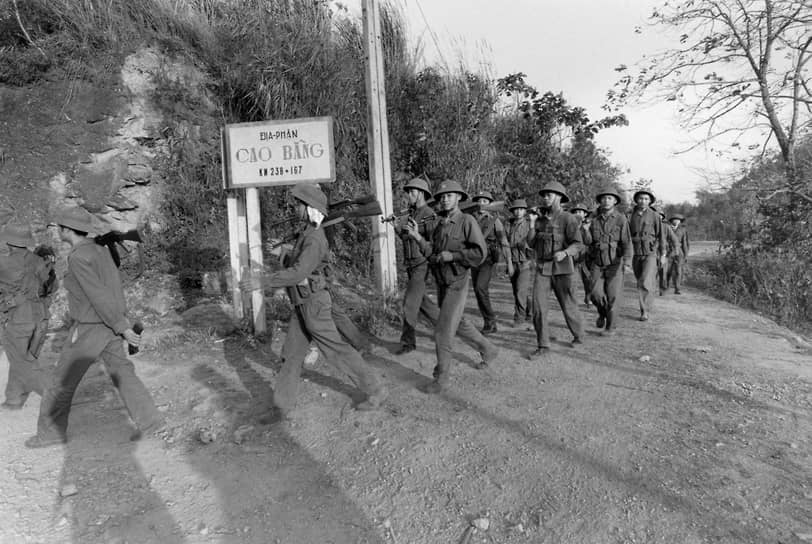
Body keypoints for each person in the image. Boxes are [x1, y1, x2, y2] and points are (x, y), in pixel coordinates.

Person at [242, 183, 387, 419]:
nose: (296, 208)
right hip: (303, 303)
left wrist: (263, 281)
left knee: (336, 351)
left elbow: (299, 273)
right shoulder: (308, 234)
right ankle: (281, 407)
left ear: (309, 208)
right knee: (291, 355)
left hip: (313, 304)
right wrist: (283, 254)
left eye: (299, 204)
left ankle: (376, 390)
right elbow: (301, 265)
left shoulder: (315, 239)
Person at [25, 207, 164, 448]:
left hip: (91, 326)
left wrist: (123, 327)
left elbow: (98, 295)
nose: (58, 231)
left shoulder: (79, 257)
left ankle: (50, 434)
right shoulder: (99, 249)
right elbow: (111, 288)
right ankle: (151, 422)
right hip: (109, 323)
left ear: (68, 230)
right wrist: (121, 323)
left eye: (60, 228)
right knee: (123, 373)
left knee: (61, 382)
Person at [408, 180, 500, 394]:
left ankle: (441, 379)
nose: (444, 199)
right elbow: (432, 253)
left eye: (449, 196)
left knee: (442, 331)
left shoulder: (467, 221)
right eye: (442, 196)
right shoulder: (441, 223)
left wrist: (454, 256)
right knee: (459, 324)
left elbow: (480, 253)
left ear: (459, 197)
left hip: (457, 283)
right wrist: (417, 237)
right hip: (443, 281)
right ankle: (489, 349)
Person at [0, 223, 57, 410]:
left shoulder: (5, 263)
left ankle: (55, 396)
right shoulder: (39, 261)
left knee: (21, 360)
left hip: (18, 318)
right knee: (24, 357)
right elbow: (48, 284)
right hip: (40, 317)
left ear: (9, 242)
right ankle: (13, 400)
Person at [525, 181, 585, 357]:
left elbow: (578, 243)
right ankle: (543, 345)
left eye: (549, 195)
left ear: (559, 197)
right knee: (538, 306)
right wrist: (531, 224)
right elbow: (531, 243)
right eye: (543, 195)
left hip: (563, 269)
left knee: (568, 304)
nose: (545, 198)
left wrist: (566, 253)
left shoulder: (568, 218)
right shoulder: (540, 219)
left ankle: (579, 334)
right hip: (543, 268)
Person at [391, 177, 439, 354]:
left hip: (421, 264)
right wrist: (396, 227)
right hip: (411, 265)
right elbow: (406, 239)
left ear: (421, 194)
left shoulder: (429, 214)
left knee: (409, 304)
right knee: (424, 304)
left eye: (412, 192)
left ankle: (408, 343)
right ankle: (447, 326)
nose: (409, 195)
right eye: (408, 192)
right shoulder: (413, 214)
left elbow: (433, 240)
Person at [588, 187, 632, 336]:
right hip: (597, 262)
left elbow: (626, 241)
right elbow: (587, 242)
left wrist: (626, 262)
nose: (606, 201)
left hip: (615, 262)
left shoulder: (621, 219)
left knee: (613, 296)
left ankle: (610, 327)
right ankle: (602, 313)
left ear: (615, 202)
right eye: (604, 198)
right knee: (594, 294)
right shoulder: (593, 219)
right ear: (600, 201)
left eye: (610, 198)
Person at [469, 190, 510, 334]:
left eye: (485, 201)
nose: (481, 203)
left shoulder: (495, 220)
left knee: (480, 288)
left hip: (488, 259)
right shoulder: (471, 218)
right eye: (479, 201)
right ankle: (488, 322)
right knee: (478, 290)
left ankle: (491, 320)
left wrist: (509, 263)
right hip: (474, 258)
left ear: (490, 204)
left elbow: (503, 241)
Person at [628, 189, 666, 321]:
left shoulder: (655, 216)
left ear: (649, 201)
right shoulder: (630, 215)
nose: (643, 201)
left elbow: (661, 236)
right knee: (640, 281)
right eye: (640, 198)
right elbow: (625, 236)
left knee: (645, 281)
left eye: (646, 199)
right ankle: (645, 305)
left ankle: (644, 310)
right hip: (636, 253)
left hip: (650, 253)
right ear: (636, 200)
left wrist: (663, 254)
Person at [505, 198, 533, 326]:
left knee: (520, 291)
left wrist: (525, 245)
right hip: (512, 261)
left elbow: (533, 241)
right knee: (518, 291)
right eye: (516, 209)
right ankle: (530, 311)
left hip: (525, 262)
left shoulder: (529, 224)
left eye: (521, 209)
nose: (518, 212)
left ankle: (519, 317)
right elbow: (504, 245)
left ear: (525, 211)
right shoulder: (508, 225)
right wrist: (508, 263)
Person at [569, 203, 593, 308]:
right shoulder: (569, 226)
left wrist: (586, 230)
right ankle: (572, 301)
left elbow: (589, 241)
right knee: (572, 281)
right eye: (575, 212)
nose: (578, 214)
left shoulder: (588, 225)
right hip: (572, 258)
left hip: (585, 258)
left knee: (588, 279)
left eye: (580, 212)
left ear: (585, 214)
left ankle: (588, 297)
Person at [667, 213, 690, 294]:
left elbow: (685, 243)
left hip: (679, 251)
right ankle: (665, 286)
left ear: (680, 221)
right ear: (672, 220)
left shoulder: (683, 230)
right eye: (675, 219)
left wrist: (686, 255)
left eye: (678, 220)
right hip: (668, 251)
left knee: (678, 271)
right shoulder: (667, 228)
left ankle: (677, 288)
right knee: (668, 270)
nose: (676, 221)